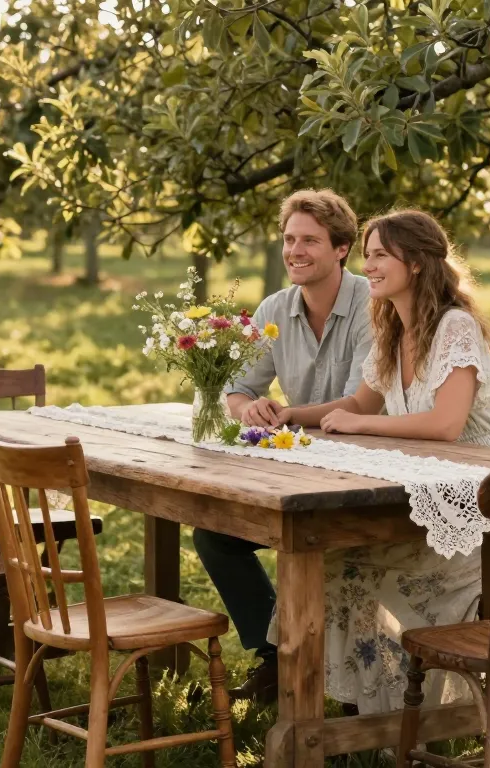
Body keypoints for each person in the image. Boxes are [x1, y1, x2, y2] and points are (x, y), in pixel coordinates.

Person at [273, 209, 490, 714]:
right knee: (329, 564)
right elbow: (359, 405)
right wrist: (290, 414)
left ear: (414, 262)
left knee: (352, 573)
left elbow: (444, 425)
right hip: (424, 503)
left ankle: (409, 711)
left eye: (380, 255)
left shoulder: (455, 326)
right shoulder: (391, 326)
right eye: (366, 255)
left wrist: (361, 425)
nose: (367, 266)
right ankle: (363, 706)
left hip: (480, 522)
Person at [192, 189, 373, 704]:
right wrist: (248, 407)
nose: (295, 250)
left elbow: (363, 404)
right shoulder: (276, 307)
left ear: (341, 249)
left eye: (310, 241)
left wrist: (289, 414)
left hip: (364, 469)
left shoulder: (370, 306)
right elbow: (236, 387)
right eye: (289, 239)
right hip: (301, 468)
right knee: (216, 536)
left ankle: (346, 680)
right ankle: (276, 658)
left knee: (328, 551)